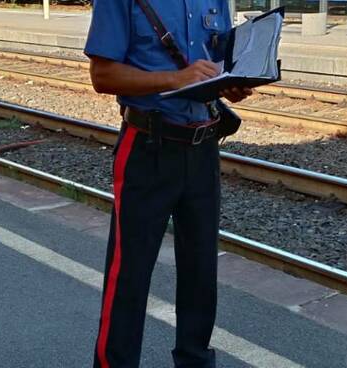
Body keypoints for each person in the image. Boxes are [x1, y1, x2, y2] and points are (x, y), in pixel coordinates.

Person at [85, 1, 252, 367]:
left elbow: (212, 67)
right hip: (147, 145)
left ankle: (195, 361)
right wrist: (175, 78)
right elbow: (103, 76)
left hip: (203, 146)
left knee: (201, 270)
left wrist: (233, 83)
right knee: (129, 272)